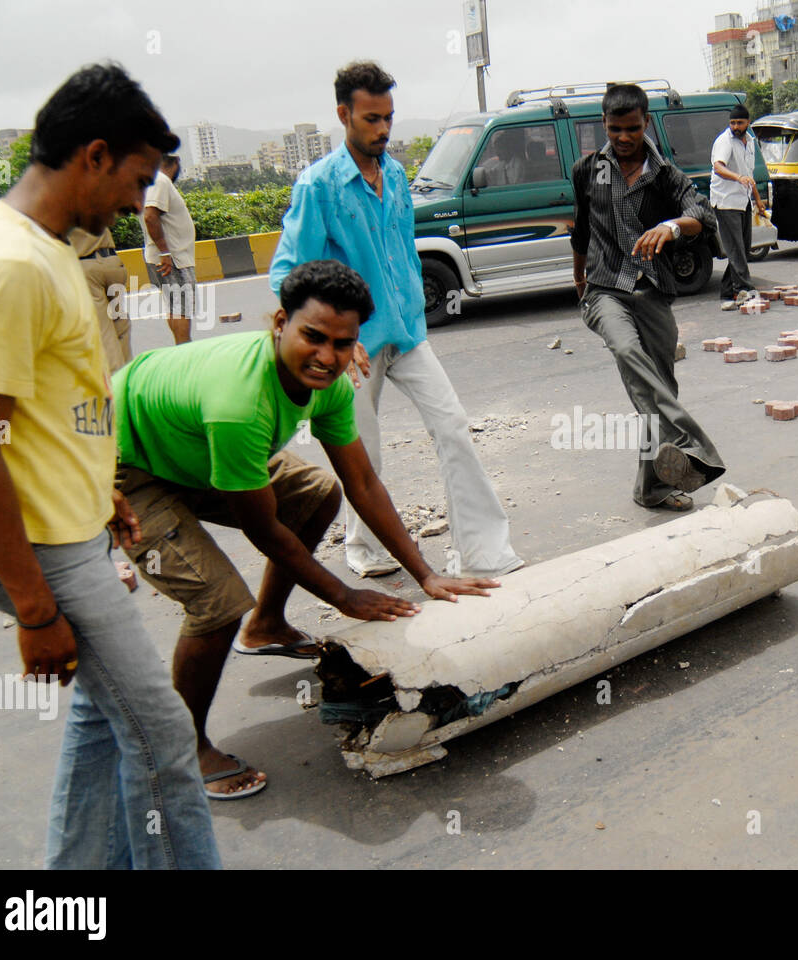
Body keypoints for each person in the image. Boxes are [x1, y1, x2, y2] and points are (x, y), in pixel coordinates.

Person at [0, 63, 219, 869]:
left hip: (71, 533)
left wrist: (98, 486)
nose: (134, 203)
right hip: (45, 555)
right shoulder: (8, 265)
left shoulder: (50, 251)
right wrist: (36, 614)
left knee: (108, 721)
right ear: (94, 155)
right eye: (136, 180)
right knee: (165, 738)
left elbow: (49, 406)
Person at [113, 258, 498, 798]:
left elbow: (362, 482)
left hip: (191, 445)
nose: (326, 357)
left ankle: (266, 627)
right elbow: (262, 528)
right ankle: (180, 748)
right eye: (312, 337)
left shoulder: (331, 386)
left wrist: (427, 574)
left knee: (320, 493)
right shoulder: (239, 402)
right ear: (278, 324)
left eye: (343, 344)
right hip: (125, 464)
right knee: (218, 602)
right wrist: (343, 595)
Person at [271, 61, 522, 579]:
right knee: (364, 453)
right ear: (344, 115)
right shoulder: (318, 186)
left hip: (407, 332)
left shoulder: (395, 175)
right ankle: (365, 549)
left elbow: (401, 250)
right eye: (371, 119)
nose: (383, 129)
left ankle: (482, 551)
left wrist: (414, 306)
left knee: (452, 426)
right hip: (352, 347)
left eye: (388, 117)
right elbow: (288, 272)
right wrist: (327, 343)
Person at [571, 84, 726, 512]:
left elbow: (704, 215)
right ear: (603, 124)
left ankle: (650, 488)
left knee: (657, 385)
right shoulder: (586, 170)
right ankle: (687, 443)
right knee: (627, 352)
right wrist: (579, 281)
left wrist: (673, 227)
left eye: (632, 129)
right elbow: (581, 230)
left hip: (653, 292)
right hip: (605, 290)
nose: (623, 137)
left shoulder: (666, 175)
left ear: (647, 123)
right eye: (615, 128)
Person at [710, 104, 767, 303]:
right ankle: (744, 290)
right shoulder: (724, 141)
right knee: (736, 249)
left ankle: (727, 294)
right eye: (732, 123)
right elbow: (718, 167)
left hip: (743, 201)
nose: (735, 126)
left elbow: (749, 175)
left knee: (742, 248)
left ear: (747, 123)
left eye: (739, 123)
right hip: (726, 201)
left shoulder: (750, 142)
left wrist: (758, 201)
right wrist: (737, 177)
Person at [140, 153, 196, 345]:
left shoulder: (152, 180)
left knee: (176, 305)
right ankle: (184, 350)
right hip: (173, 258)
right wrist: (165, 252)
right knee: (181, 306)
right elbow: (150, 216)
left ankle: (181, 348)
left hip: (169, 256)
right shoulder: (160, 180)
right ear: (176, 161)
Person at [68, 225, 132, 371]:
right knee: (120, 325)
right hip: (113, 262)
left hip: (87, 266)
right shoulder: (96, 201)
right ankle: (130, 375)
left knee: (104, 332)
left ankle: (116, 382)